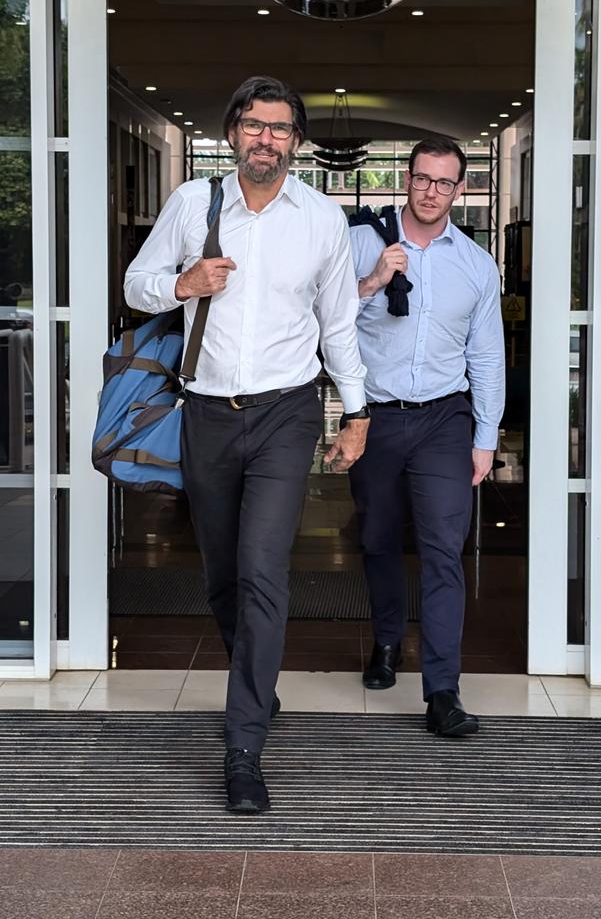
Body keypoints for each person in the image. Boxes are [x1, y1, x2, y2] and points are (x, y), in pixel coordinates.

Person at [124, 76, 370, 813]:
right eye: (255, 126)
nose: (268, 138)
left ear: (297, 141)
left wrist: (356, 413)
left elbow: (338, 326)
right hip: (206, 413)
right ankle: (255, 680)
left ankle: (243, 748)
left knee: (265, 571)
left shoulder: (321, 219)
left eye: (281, 128)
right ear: (233, 132)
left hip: (287, 414)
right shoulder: (192, 205)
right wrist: (184, 283)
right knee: (224, 575)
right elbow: (136, 284)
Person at [349, 135, 505, 737]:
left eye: (444, 182)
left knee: (444, 551)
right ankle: (387, 643)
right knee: (379, 537)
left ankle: (442, 689)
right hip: (376, 415)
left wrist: (485, 437)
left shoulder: (474, 264)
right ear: (406, 180)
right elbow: (320, 316)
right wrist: (371, 281)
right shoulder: (365, 242)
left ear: (459, 189)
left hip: (445, 419)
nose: (431, 190)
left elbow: (487, 357)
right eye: (422, 178)